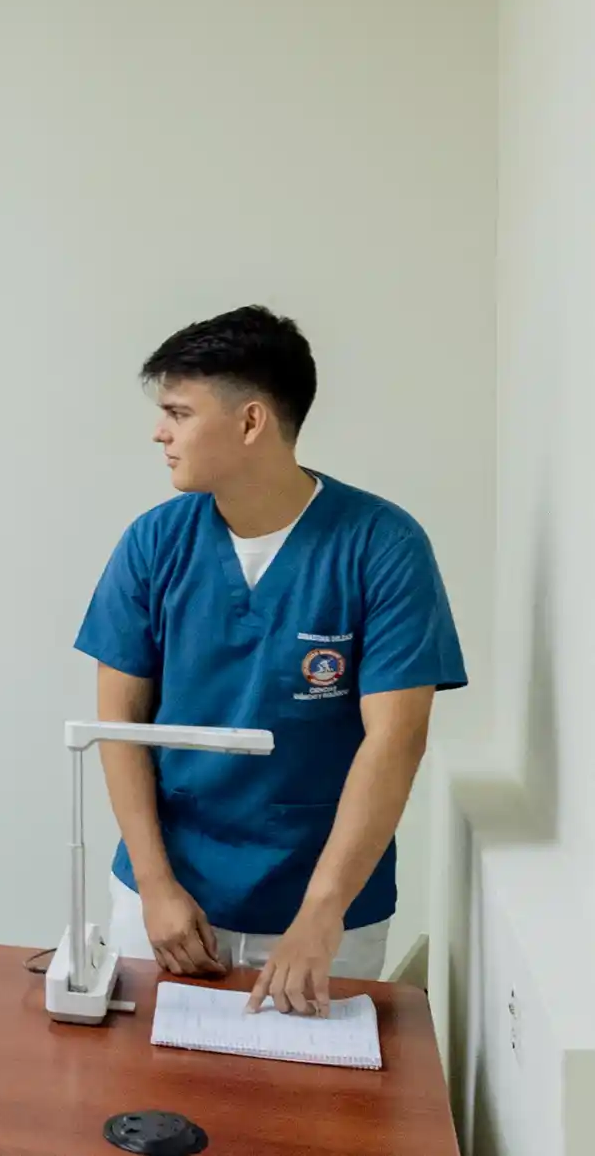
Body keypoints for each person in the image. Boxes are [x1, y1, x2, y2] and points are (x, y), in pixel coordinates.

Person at [75, 307, 463, 1016]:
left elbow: (396, 737)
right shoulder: (153, 544)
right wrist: (157, 887)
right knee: (148, 1107)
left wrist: (321, 911)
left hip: (326, 905)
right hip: (170, 896)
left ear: (251, 421)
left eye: (178, 412)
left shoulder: (382, 545)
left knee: (305, 1116)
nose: (159, 432)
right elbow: (118, 722)